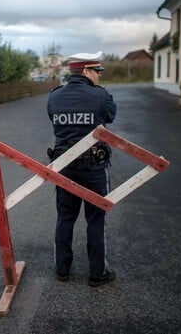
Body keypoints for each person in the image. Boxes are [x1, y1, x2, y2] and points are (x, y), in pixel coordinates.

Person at [46, 52, 117, 287]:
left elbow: (52, 120)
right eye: (97, 71)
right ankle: (98, 274)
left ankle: (62, 270)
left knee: (65, 218)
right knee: (96, 220)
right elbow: (111, 116)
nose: (99, 76)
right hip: (95, 169)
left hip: (64, 167)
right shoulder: (100, 95)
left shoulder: (55, 96)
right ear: (86, 71)